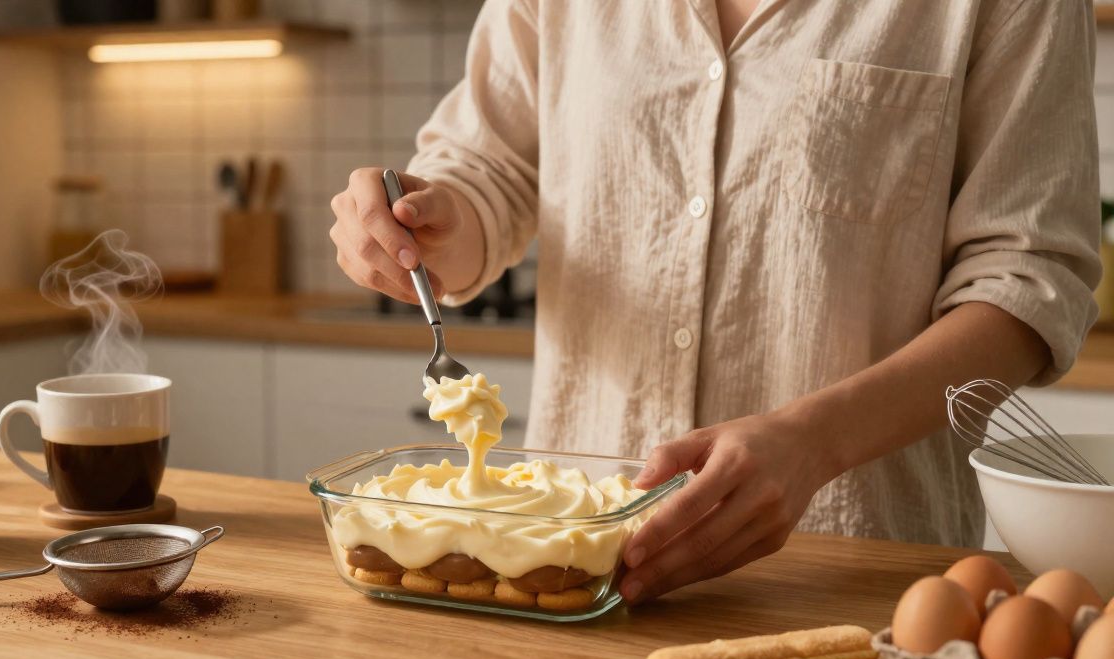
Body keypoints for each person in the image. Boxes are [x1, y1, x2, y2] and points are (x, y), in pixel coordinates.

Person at [327, 0, 1102, 603]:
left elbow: (1028, 284)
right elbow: (487, 172)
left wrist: (813, 443)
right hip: (566, 571)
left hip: (854, 582)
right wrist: (434, 225)